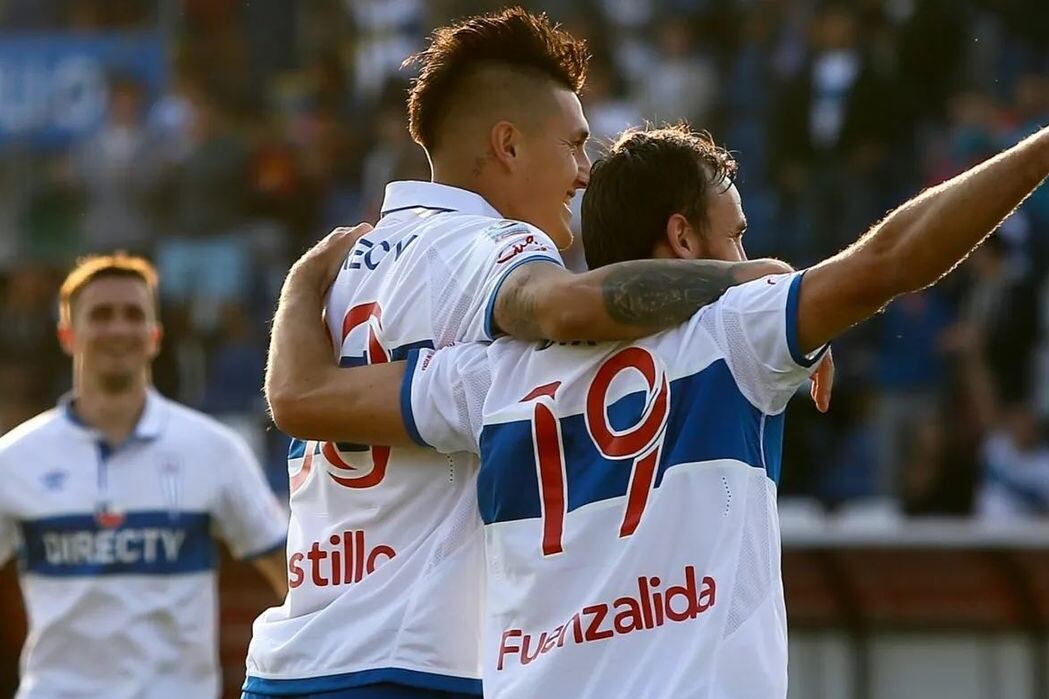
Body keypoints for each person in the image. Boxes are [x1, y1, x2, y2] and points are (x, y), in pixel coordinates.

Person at [267, 122, 1049, 697]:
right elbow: (891, 260)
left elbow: (302, 397)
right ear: (681, 237)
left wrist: (303, 285)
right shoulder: (735, 334)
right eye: (735, 235)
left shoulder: (490, 373)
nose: (747, 257)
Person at [248, 10, 831, 699]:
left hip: (291, 662)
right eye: (574, 145)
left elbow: (294, 399)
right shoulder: (488, 245)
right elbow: (566, 308)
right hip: (413, 666)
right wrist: (749, 282)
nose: (583, 173)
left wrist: (297, 285)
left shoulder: (346, 263)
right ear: (508, 145)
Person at [0, 253, 289, 699]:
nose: (119, 328)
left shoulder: (214, 449)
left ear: (155, 335)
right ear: (67, 335)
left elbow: (292, 575)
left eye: (133, 314)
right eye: (101, 315)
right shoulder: (15, 459)